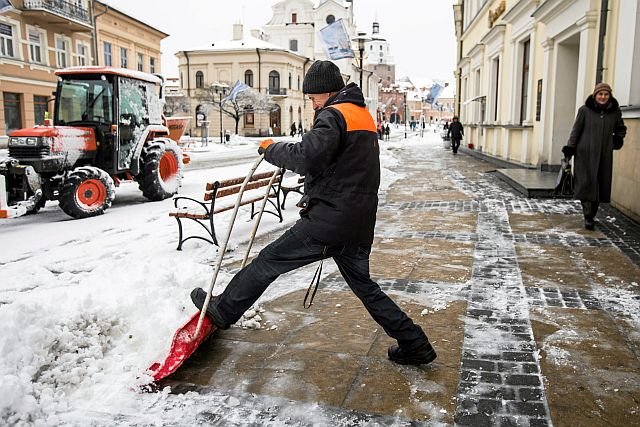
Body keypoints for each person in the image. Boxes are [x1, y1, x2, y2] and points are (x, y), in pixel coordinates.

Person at [191, 60, 436, 365]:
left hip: (330, 221)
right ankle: (415, 343)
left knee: (268, 261)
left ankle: (223, 310)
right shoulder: (360, 114)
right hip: (358, 221)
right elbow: (336, 159)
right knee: (366, 289)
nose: (312, 104)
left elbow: (308, 157)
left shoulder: (333, 114)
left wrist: (270, 149)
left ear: (327, 92)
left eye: (313, 97)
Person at [562, 82, 626, 230]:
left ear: (609, 96)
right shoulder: (584, 111)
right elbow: (576, 130)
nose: (603, 97)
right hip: (584, 154)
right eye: (600, 94)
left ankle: (593, 212)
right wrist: (570, 148)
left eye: (606, 94)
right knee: (586, 184)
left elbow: (621, 128)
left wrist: (617, 139)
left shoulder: (615, 112)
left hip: (604, 154)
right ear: (595, 95)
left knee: (600, 184)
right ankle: (588, 216)